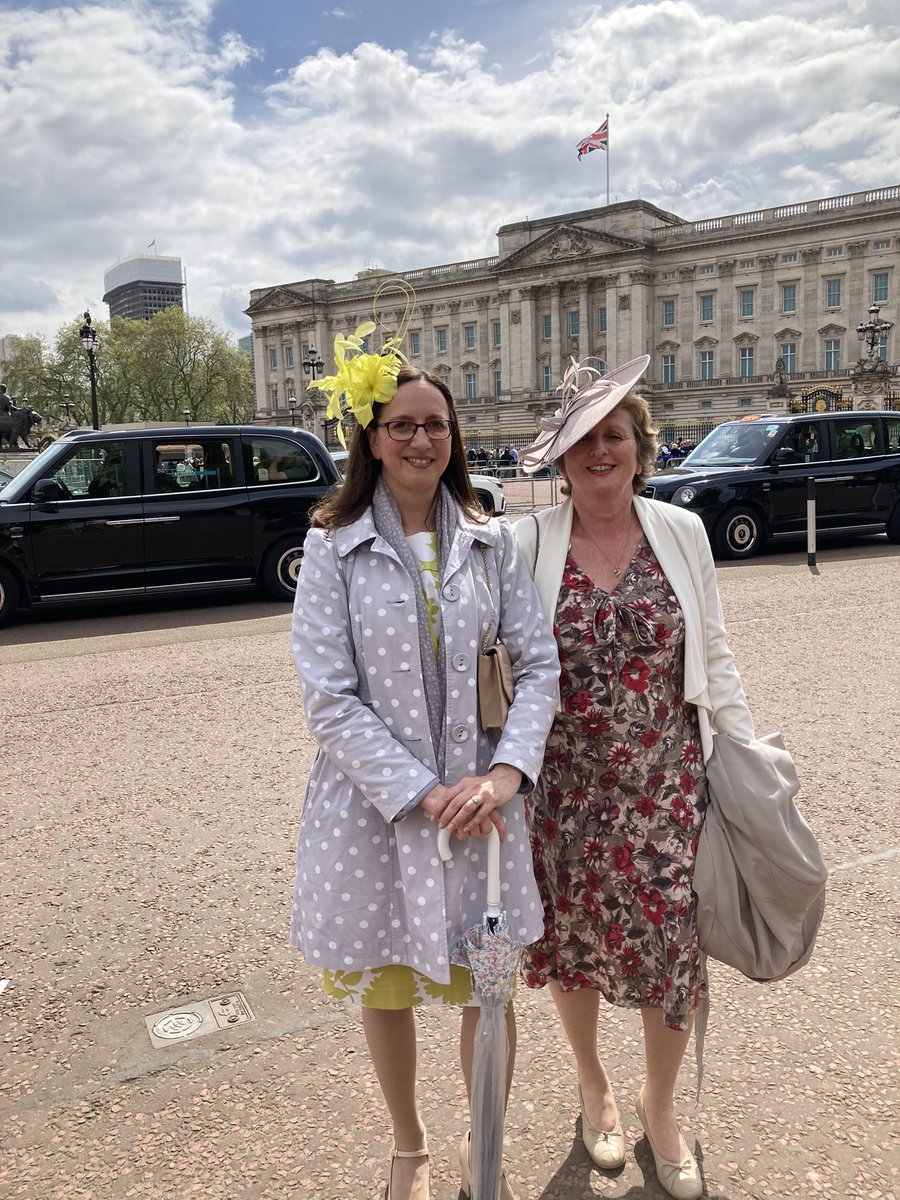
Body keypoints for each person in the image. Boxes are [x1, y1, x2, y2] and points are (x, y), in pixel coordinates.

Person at [290, 353, 560, 1200]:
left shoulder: (490, 538)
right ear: (371, 436)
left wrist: (508, 774)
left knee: (489, 985)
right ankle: (409, 1144)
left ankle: (485, 1152)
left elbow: (538, 663)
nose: (419, 438)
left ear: (455, 436)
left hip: (485, 808)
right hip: (386, 812)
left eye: (434, 424)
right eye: (400, 424)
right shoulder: (333, 546)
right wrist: (423, 790)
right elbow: (329, 699)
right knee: (391, 983)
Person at [515, 355, 754, 1200]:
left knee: (672, 948)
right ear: (562, 457)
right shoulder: (526, 543)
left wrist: (744, 752)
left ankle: (660, 1107)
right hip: (565, 793)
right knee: (571, 946)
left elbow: (712, 652)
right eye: (583, 439)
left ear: (641, 449)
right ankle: (593, 1085)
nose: (599, 451)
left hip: (666, 783)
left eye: (614, 435)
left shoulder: (679, 532)